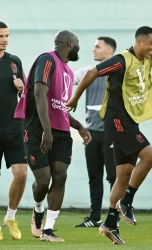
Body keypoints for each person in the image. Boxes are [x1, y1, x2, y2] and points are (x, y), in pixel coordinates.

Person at [66, 10, 152, 244]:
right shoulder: (119, 60)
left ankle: (110, 223)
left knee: (124, 174)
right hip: (116, 122)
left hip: (129, 121)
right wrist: (76, 97)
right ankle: (126, 201)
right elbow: (91, 74)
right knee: (150, 156)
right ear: (139, 42)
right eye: (151, 43)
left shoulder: (147, 59)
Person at [14, 30, 91, 242]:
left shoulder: (67, 70)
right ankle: (38, 209)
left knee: (60, 175)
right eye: (77, 43)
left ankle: (48, 231)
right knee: (43, 180)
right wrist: (46, 130)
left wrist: (78, 126)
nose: (78, 48)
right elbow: (39, 93)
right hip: (39, 129)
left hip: (61, 131)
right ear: (69, 43)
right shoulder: (48, 59)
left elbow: (60, 107)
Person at [73, 36, 117, 228]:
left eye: (97, 47)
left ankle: (116, 215)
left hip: (112, 133)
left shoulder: (119, 71)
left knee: (114, 176)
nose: (93, 50)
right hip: (91, 133)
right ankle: (95, 217)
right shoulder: (88, 71)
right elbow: (68, 77)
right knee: (94, 176)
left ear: (109, 51)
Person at [0, 21, 27, 241]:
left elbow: (25, 95)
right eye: (1, 36)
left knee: (21, 174)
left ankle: (10, 217)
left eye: (7, 35)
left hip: (14, 128)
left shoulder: (14, 61)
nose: (4, 39)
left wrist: (21, 89)